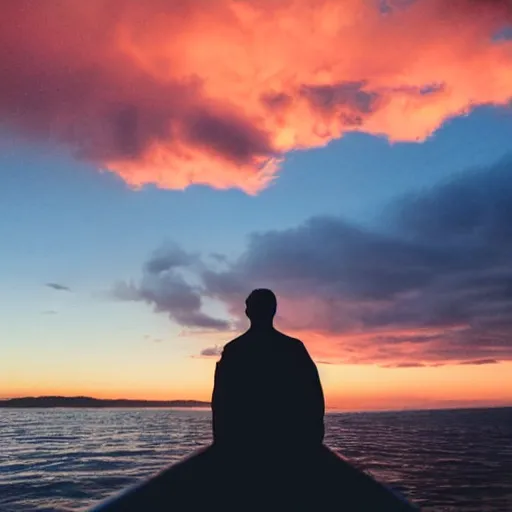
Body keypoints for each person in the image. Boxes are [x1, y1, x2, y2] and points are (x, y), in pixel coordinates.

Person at [211, 288, 325, 457]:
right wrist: (311, 442)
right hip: (289, 445)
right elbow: (314, 400)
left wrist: (222, 443)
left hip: (243, 445)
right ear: (274, 310)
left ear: (248, 312)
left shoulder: (234, 350)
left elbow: (220, 402)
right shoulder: (294, 348)